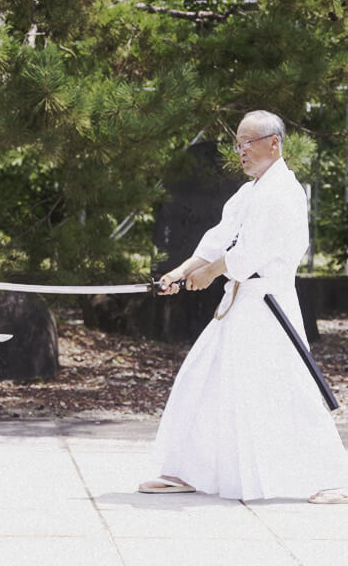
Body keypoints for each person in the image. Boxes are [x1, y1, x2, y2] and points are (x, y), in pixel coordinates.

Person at [139, 110, 348, 502]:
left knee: (288, 387)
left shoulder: (285, 191)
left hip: (269, 305)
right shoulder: (249, 192)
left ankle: (336, 477)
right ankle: (187, 470)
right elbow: (218, 239)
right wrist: (179, 273)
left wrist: (211, 274)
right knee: (202, 378)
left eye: (248, 143)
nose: (241, 152)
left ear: (274, 143)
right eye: (238, 144)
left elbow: (251, 252)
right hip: (239, 302)